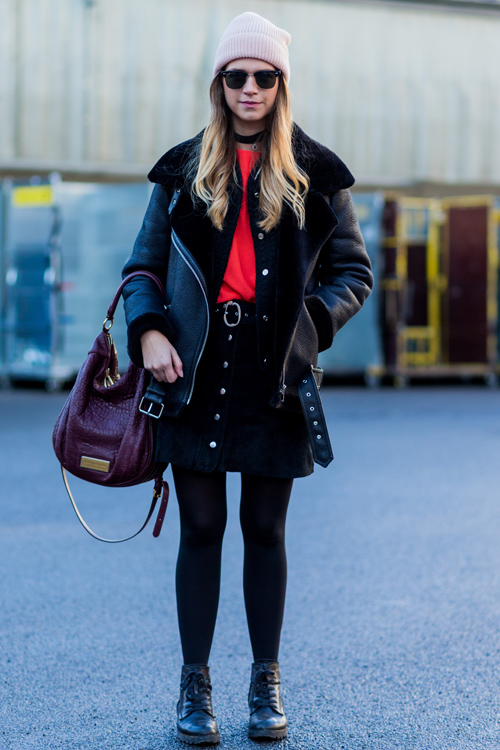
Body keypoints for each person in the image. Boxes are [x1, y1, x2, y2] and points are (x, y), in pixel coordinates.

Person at [122, 11, 373, 745]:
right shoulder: (179, 172)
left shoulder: (318, 174)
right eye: (238, 76)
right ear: (220, 84)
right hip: (195, 373)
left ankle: (265, 680)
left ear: (281, 85)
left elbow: (352, 271)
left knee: (265, 530)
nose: (251, 89)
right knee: (200, 529)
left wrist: (310, 327)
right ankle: (194, 686)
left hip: (276, 378)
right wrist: (151, 331)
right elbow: (141, 268)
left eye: (265, 77)